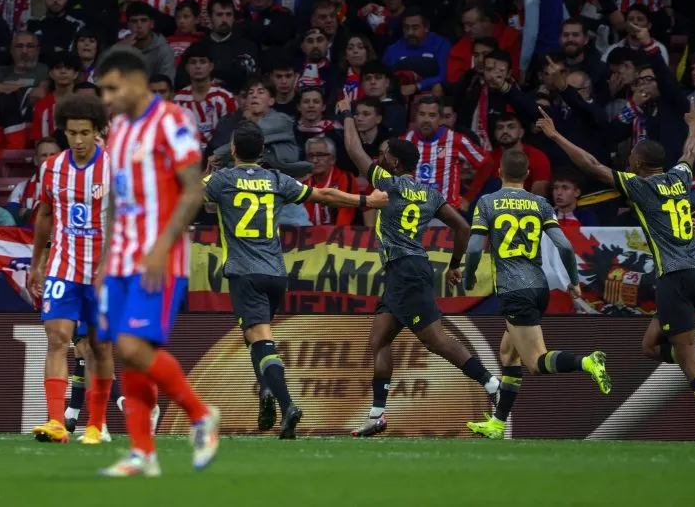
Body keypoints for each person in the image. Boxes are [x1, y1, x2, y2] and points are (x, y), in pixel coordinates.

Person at [536, 101, 695, 444]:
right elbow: (689, 153)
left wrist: (555, 135)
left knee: (686, 359)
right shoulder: (678, 178)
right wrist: (694, 125)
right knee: (650, 346)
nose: (628, 158)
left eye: (632, 155)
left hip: (675, 277)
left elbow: (591, 165)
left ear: (638, 164)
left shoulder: (641, 186)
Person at [204, 122, 387, 437]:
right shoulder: (276, 179)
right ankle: (266, 390)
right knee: (255, 337)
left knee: (261, 339)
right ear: (262, 152)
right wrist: (366, 202)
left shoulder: (220, 180)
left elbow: (190, 195)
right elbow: (324, 195)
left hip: (244, 272)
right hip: (276, 273)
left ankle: (286, 403)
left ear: (233, 149)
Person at [338, 95, 500, 438]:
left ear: (395, 165)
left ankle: (491, 384)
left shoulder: (390, 184)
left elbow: (354, 151)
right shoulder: (430, 193)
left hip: (405, 270)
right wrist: (455, 263)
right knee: (379, 339)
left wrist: (347, 114)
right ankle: (378, 415)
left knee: (437, 341)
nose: (380, 160)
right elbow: (463, 227)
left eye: (385, 158)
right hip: (408, 269)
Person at [94, 49, 219, 477]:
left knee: (132, 346)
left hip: (158, 258)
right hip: (121, 260)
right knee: (126, 355)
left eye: (111, 88)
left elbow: (192, 191)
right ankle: (142, 454)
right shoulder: (119, 131)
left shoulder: (172, 121)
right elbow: (115, 201)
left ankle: (201, 415)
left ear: (136, 81)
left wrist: (163, 247)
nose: (106, 98)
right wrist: (104, 260)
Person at [463, 149, 612, 440]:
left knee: (535, 361)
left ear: (499, 173)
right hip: (538, 286)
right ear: (528, 174)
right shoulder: (541, 203)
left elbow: (473, 248)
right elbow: (566, 247)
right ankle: (497, 423)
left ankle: (588, 361)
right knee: (509, 353)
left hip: (513, 289)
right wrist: (574, 281)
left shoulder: (487, 202)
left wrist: (468, 276)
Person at [26, 94, 129, 445]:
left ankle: (96, 425)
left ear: (98, 131)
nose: (79, 140)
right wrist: (37, 262)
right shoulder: (52, 167)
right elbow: (45, 214)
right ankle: (56, 421)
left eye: (85, 133)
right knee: (57, 339)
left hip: (103, 272)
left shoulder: (114, 170)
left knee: (100, 347)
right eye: (72, 133)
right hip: (62, 267)